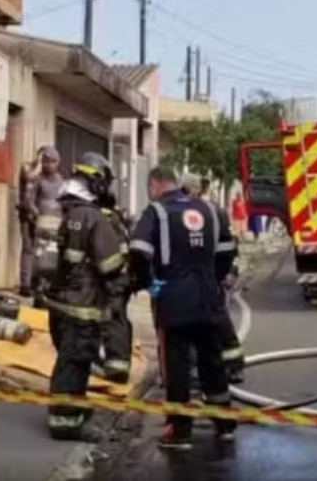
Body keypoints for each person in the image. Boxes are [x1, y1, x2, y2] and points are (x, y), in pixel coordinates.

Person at [131, 166, 237, 449]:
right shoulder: (208, 209)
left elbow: (138, 250)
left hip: (174, 299)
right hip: (208, 297)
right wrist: (214, 278)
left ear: (154, 185)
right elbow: (227, 250)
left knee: (176, 365)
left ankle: (179, 431)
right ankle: (225, 423)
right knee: (212, 359)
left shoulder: (157, 211)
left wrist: (148, 283)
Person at [42, 151, 128, 442]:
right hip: (82, 306)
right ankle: (65, 423)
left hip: (57, 303)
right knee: (75, 364)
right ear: (97, 182)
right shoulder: (93, 217)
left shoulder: (62, 208)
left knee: (67, 359)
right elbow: (110, 266)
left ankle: (75, 410)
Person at [182, 175, 246, 386]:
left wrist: (224, 274)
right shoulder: (213, 211)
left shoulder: (198, 213)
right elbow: (229, 247)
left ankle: (218, 367)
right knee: (216, 320)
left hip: (204, 279)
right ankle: (230, 366)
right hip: (210, 277)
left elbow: (227, 246)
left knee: (208, 321)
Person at [92, 193, 134, 385]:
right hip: (123, 279)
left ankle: (116, 366)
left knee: (112, 320)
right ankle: (119, 363)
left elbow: (105, 255)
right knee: (119, 319)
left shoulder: (104, 220)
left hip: (113, 280)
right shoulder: (117, 219)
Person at [18, 145, 65, 299]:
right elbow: (28, 199)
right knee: (29, 249)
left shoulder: (60, 181)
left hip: (51, 222)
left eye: (52, 161)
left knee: (46, 252)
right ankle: (26, 284)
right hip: (30, 218)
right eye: (45, 160)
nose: (48, 164)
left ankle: (41, 282)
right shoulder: (31, 173)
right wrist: (35, 214)